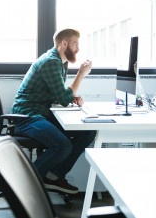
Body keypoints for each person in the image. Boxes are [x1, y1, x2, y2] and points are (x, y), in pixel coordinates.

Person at [11, 28, 97, 194]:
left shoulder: (59, 62)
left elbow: (59, 95)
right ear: (64, 43)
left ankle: (53, 176)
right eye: (75, 44)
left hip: (40, 114)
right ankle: (24, 184)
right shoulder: (51, 61)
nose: (78, 49)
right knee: (62, 145)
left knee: (87, 132)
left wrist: (71, 96)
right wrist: (80, 74)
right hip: (26, 117)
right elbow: (64, 99)